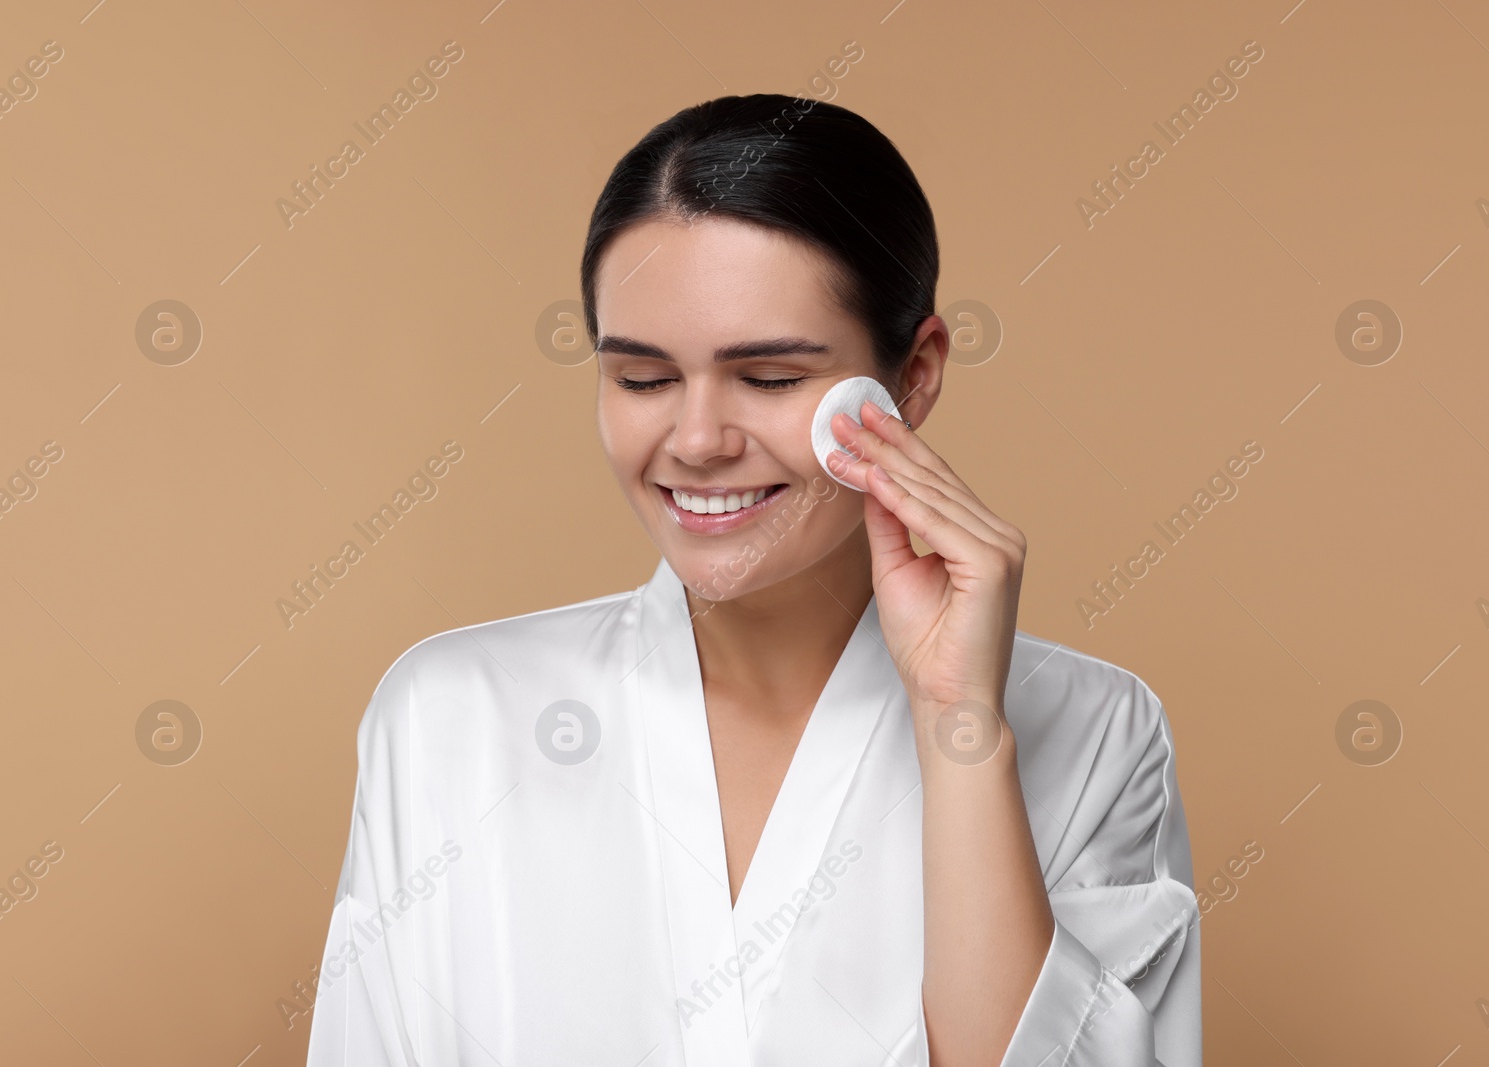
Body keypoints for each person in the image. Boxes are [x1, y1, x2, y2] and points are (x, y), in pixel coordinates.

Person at [305, 93, 1200, 1067]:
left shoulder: (1099, 730)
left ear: (914, 374)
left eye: (769, 378)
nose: (695, 440)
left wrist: (959, 728)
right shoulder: (449, 715)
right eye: (643, 379)